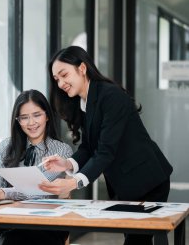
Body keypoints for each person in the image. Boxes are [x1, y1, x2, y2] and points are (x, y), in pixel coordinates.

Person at [39, 46, 173, 245]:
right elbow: (88, 147)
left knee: (137, 240)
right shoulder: (84, 101)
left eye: (64, 74)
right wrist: (66, 164)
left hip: (148, 180)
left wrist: (74, 182)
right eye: (56, 79)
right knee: (134, 238)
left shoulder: (110, 95)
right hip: (124, 182)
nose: (60, 83)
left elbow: (105, 150)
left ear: (82, 68)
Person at [0, 89, 73, 245]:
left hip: (45, 226)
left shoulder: (61, 150)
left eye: (37, 115)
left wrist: (3, 193)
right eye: (24, 118)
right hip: (9, 224)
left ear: (47, 116)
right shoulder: (6, 146)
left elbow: (39, 190)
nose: (31, 123)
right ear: (18, 121)